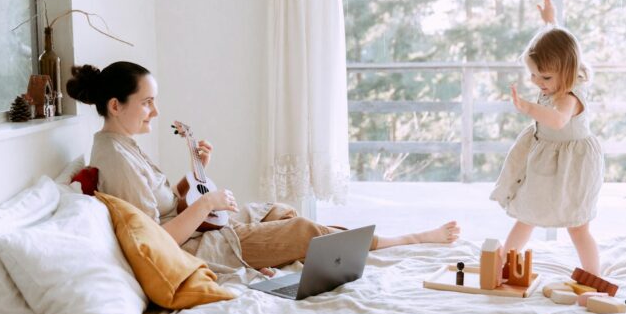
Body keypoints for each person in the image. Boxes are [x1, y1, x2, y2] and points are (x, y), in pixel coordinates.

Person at [66, 61, 460, 277]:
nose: (156, 111)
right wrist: (207, 205)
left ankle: (302, 254)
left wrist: (197, 173)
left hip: (199, 230)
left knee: (281, 211)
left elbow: (165, 201)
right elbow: (157, 241)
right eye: (148, 102)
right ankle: (403, 240)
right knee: (303, 230)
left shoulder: (122, 145)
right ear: (115, 105)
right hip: (195, 247)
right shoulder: (115, 157)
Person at [490, 0, 604, 275]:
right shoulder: (557, 77)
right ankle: (506, 262)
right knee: (525, 214)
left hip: (573, 166)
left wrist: (526, 107)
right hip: (547, 161)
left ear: (568, 71)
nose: (539, 83)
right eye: (534, 76)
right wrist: (550, 21)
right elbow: (562, 44)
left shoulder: (570, 96)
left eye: (546, 78)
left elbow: (557, 120)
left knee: (577, 226)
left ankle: (594, 274)